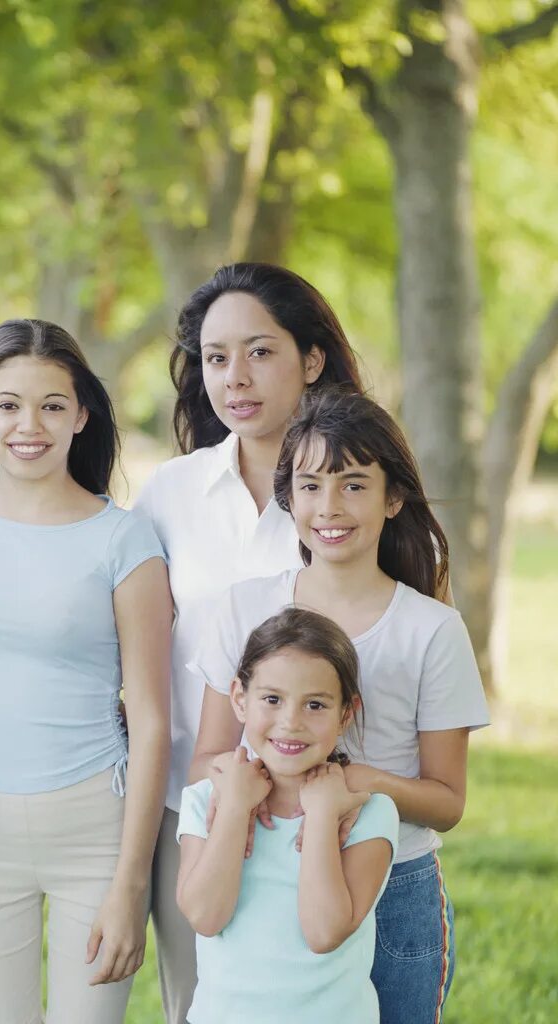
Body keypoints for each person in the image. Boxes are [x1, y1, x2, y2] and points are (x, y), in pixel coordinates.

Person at [190, 387, 491, 1023]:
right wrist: (241, 794)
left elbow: (448, 801)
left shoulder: (431, 630)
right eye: (310, 485)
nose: (329, 506)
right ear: (288, 498)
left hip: (394, 885)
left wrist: (354, 786)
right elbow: (211, 756)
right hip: (261, 878)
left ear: (393, 497)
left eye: (354, 485)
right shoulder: (244, 608)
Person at [132, 262, 367, 1023]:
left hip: (329, 811)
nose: (235, 377)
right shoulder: (171, 494)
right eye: (215, 356)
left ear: (312, 359)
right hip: (198, 801)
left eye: (261, 351)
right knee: (202, 1004)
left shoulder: (353, 492)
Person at [0, 319, 171, 1023]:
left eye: (52, 405)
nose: (28, 425)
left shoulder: (124, 539)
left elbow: (152, 721)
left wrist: (130, 884)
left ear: (81, 414)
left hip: (94, 823)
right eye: (7, 404)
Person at [177, 606, 400, 1024]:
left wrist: (320, 816)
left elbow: (323, 933)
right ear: (240, 699)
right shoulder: (202, 800)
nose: (290, 722)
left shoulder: (369, 814)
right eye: (272, 699)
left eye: (315, 704)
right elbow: (206, 917)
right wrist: (235, 808)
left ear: (345, 713)